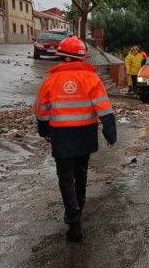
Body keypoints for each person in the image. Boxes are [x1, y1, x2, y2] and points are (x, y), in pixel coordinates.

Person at [35, 36, 117, 241]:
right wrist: (110, 130)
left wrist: (43, 128)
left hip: (61, 135)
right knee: (81, 173)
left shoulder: (51, 80)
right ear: (82, 57)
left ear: (62, 56)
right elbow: (104, 107)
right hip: (85, 133)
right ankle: (78, 207)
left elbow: (41, 109)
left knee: (65, 178)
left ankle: (73, 218)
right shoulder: (91, 78)